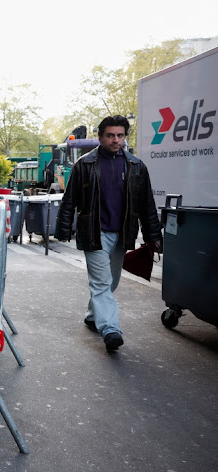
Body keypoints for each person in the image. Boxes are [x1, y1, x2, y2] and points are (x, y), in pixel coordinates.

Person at [55, 115, 162, 352]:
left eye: (120, 135)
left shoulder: (136, 166)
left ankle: (93, 315)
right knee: (102, 282)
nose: (116, 140)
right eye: (110, 135)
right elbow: (69, 200)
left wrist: (153, 236)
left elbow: (147, 205)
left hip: (122, 233)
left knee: (111, 281)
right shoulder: (84, 164)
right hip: (94, 232)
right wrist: (62, 228)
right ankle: (110, 329)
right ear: (101, 137)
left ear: (125, 136)